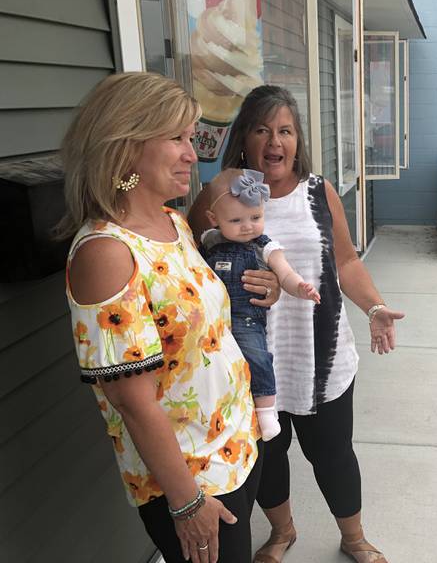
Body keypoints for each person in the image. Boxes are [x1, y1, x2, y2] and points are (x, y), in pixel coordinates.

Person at [188, 85, 404, 563]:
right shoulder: (218, 191)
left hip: (319, 357)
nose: (274, 141)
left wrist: (374, 308)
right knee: (268, 457)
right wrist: (242, 285)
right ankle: (282, 532)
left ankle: (354, 537)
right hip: (249, 362)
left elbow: (345, 262)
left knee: (333, 456)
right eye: (263, 129)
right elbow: (194, 271)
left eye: (285, 130)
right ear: (244, 136)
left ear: (298, 139)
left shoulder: (317, 191)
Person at [62, 72, 263, 563]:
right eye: (177, 138)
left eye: (191, 138)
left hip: (234, 445)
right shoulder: (107, 252)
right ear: (126, 145)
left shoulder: (172, 221)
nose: (193, 154)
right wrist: (187, 502)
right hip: (191, 480)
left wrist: (267, 285)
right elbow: (131, 400)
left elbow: (199, 320)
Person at [200, 167, 321, 441]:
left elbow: (286, 274)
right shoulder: (208, 242)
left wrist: (300, 287)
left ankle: (266, 411)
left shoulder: (265, 246)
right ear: (213, 219)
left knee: (257, 356)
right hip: (213, 319)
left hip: (245, 318)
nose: (247, 226)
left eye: (256, 217)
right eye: (236, 220)